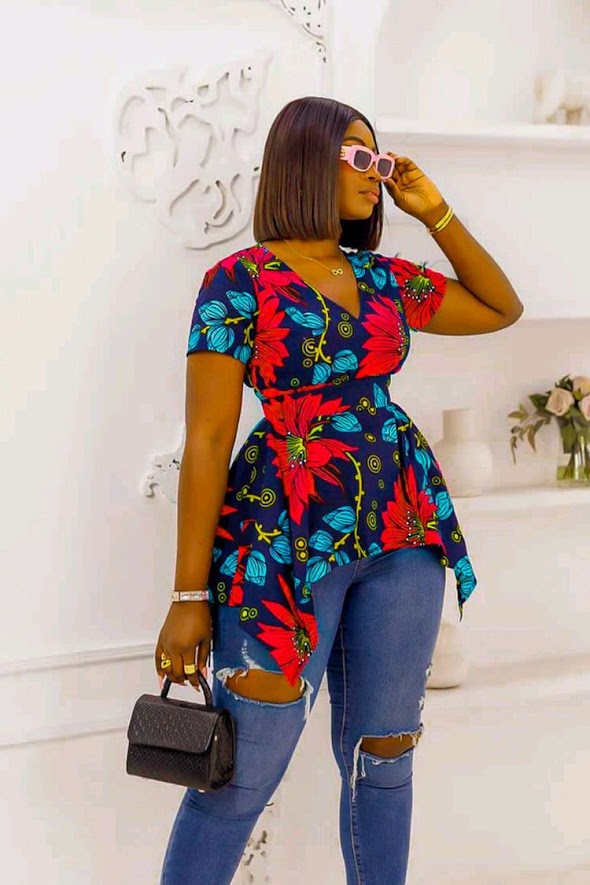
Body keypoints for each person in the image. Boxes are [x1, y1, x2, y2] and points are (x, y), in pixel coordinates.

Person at [156, 95, 523, 884]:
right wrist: (188, 594)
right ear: (304, 160)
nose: (375, 173)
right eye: (359, 157)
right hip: (279, 540)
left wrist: (434, 210)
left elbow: (501, 307)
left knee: (385, 758)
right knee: (241, 773)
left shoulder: (383, 277)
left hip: (403, 530)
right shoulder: (239, 281)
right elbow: (209, 440)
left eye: (379, 159)